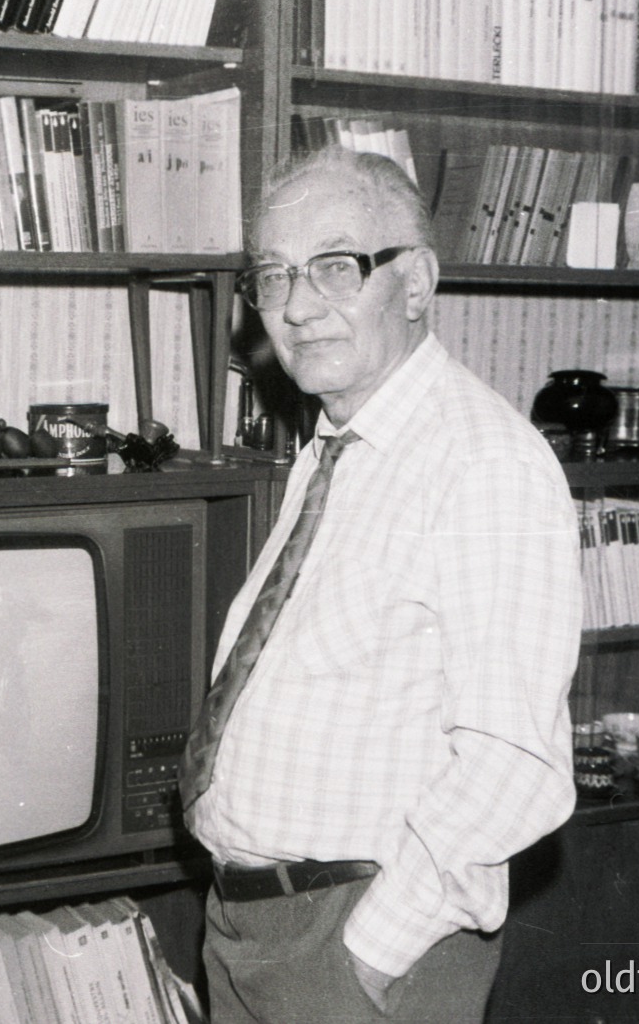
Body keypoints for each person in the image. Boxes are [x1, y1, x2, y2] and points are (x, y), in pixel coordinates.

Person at [182, 149, 581, 1022]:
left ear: (414, 283)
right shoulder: (334, 445)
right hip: (255, 925)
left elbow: (516, 767)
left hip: (359, 944)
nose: (292, 306)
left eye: (334, 266)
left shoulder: (483, 462)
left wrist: (361, 958)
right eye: (273, 274)